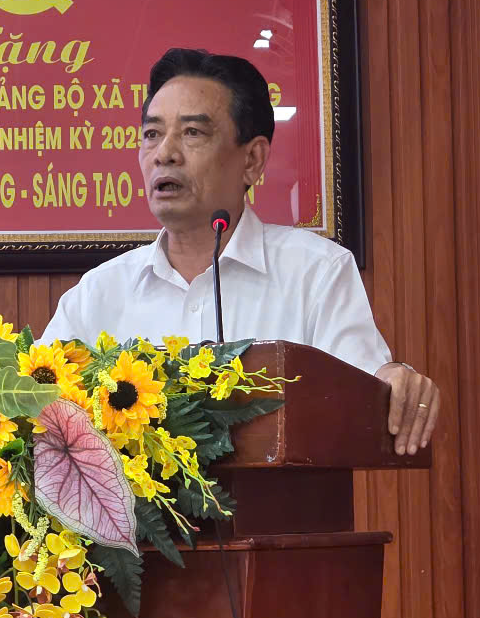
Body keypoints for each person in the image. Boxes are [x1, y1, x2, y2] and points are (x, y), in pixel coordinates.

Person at [41, 47, 441, 456]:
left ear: (252, 159)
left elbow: (365, 394)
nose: (164, 153)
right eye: (152, 134)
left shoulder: (316, 272)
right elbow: (33, 406)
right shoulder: (99, 293)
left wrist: (396, 382)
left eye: (192, 132)